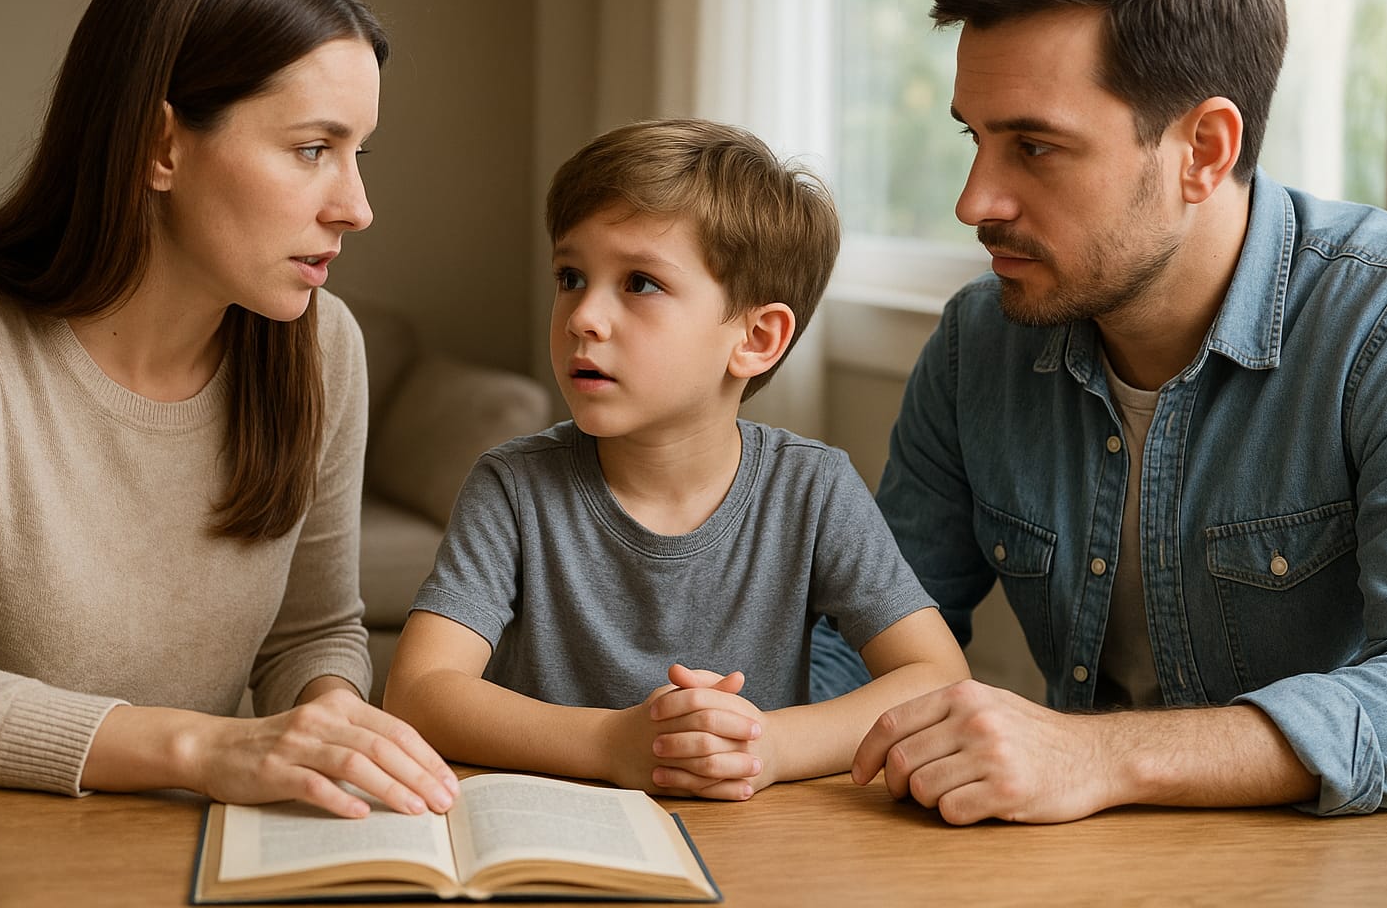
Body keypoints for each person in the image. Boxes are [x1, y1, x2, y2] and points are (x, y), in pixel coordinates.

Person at [811, 0, 1387, 823]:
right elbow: (876, 637)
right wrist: (721, 728)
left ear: (1204, 149)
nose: (975, 200)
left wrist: (1101, 756)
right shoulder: (979, 341)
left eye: (1034, 146)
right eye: (974, 140)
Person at [0, 0, 457, 820]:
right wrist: (211, 746)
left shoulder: (324, 348)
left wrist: (331, 727)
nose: (356, 206)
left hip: (195, 844)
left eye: (362, 153)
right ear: (161, 146)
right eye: (313, 149)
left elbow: (312, 634)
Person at [382, 119, 970, 800]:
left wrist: (770, 747)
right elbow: (419, 690)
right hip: (559, 827)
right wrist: (612, 746)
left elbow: (939, 676)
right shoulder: (513, 487)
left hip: (753, 840)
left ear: (756, 338)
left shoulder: (814, 488)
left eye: (639, 283)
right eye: (571, 277)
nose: (582, 317)